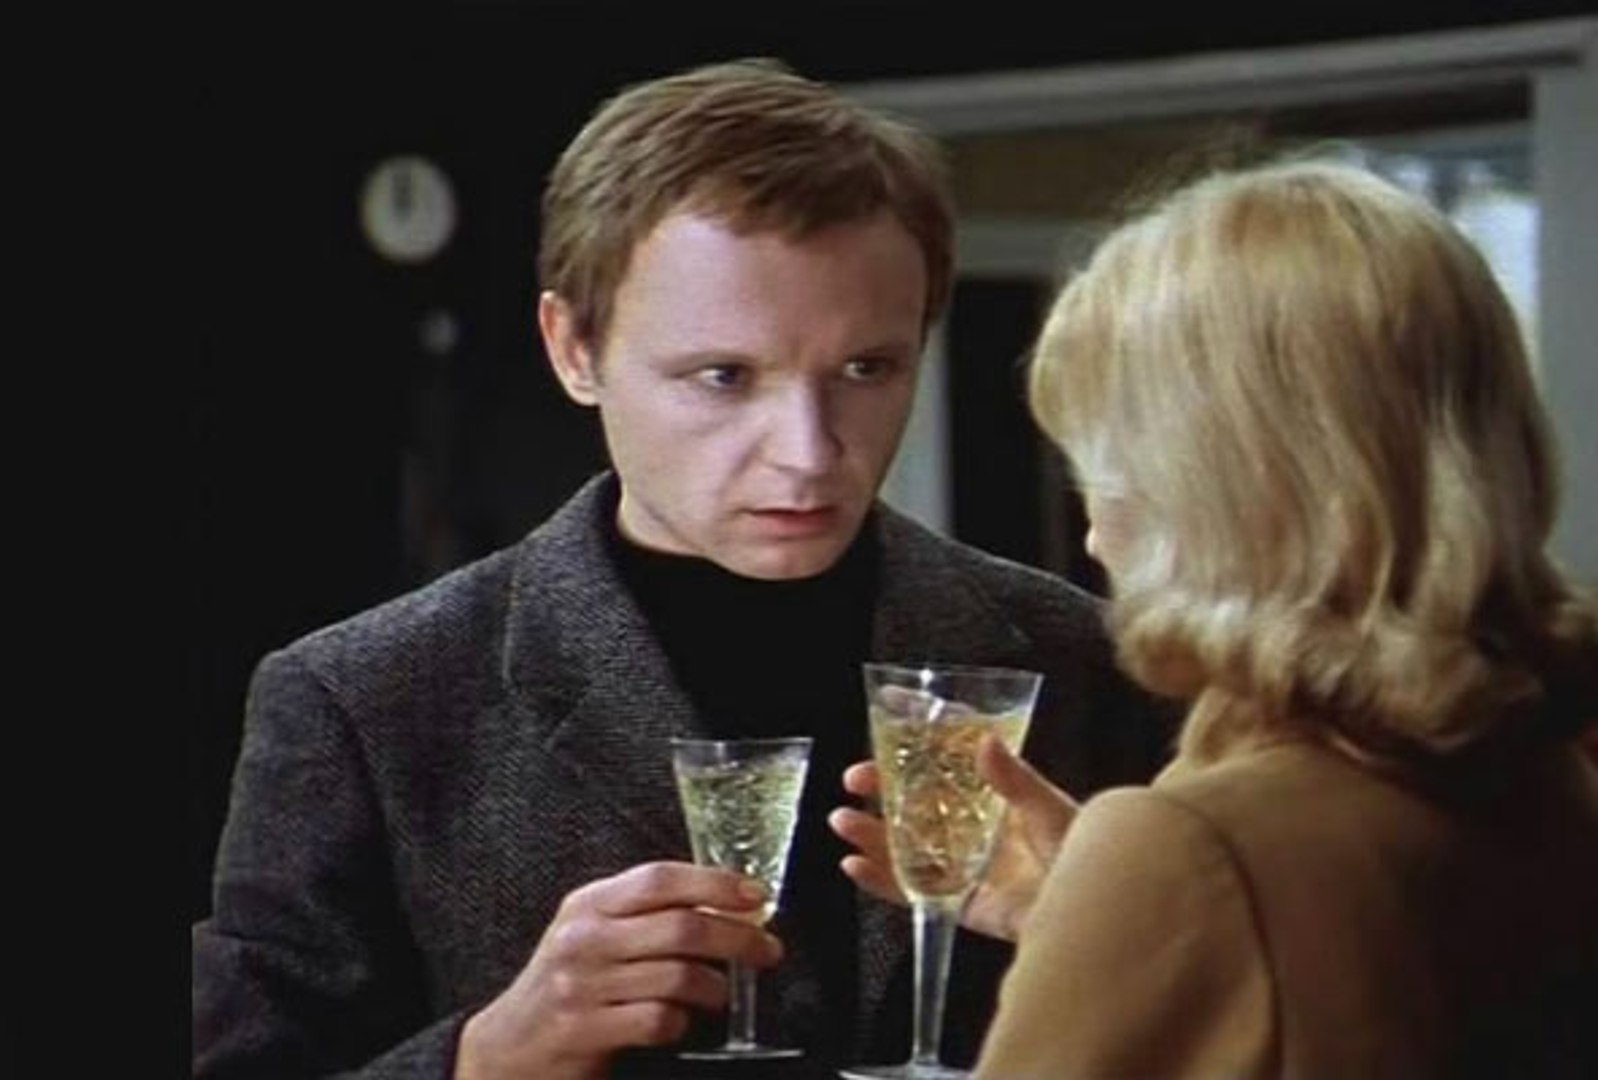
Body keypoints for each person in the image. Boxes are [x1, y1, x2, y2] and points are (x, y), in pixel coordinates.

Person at [190, 58, 1176, 1079]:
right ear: (573, 349)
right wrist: (484, 1056)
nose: (807, 450)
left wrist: (1129, 939)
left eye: (866, 368)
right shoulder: (365, 704)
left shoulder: (1089, 662)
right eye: (724, 376)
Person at [837, 158, 1598, 1078]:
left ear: (1225, 492)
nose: (1095, 535)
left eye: (1114, 474)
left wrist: (1141, 893)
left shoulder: (1193, 848)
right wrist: (1090, 920)